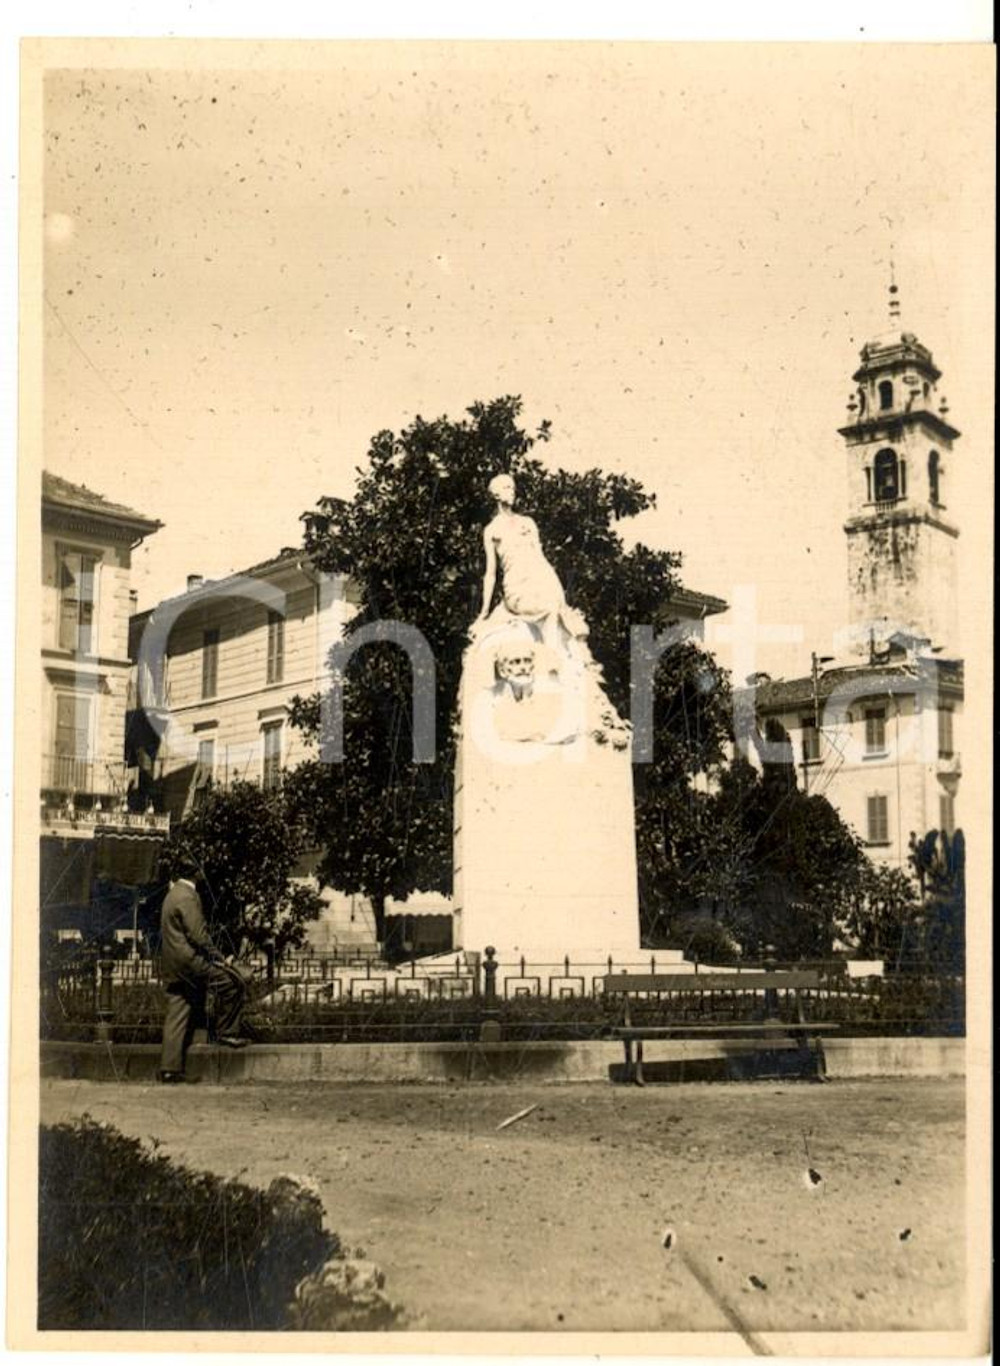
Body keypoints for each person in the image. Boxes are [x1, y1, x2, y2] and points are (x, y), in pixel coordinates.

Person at [474, 473, 589, 663]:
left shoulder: (528, 523)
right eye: (506, 488)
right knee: (549, 610)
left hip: (538, 580)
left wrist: (557, 591)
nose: (512, 492)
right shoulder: (492, 530)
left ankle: (557, 661)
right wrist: (484, 612)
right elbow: (491, 574)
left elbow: (541, 558)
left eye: (512, 488)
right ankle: (551, 660)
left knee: (560, 611)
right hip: (516, 587)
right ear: (495, 494)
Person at [158, 850, 248, 1083]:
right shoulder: (187, 896)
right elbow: (198, 935)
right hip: (190, 961)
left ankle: (169, 1068)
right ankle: (227, 1033)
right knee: (232, 982)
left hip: (172, 963)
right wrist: (219, 958)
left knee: (179, 1008)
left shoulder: (171, 894)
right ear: (197, 873)